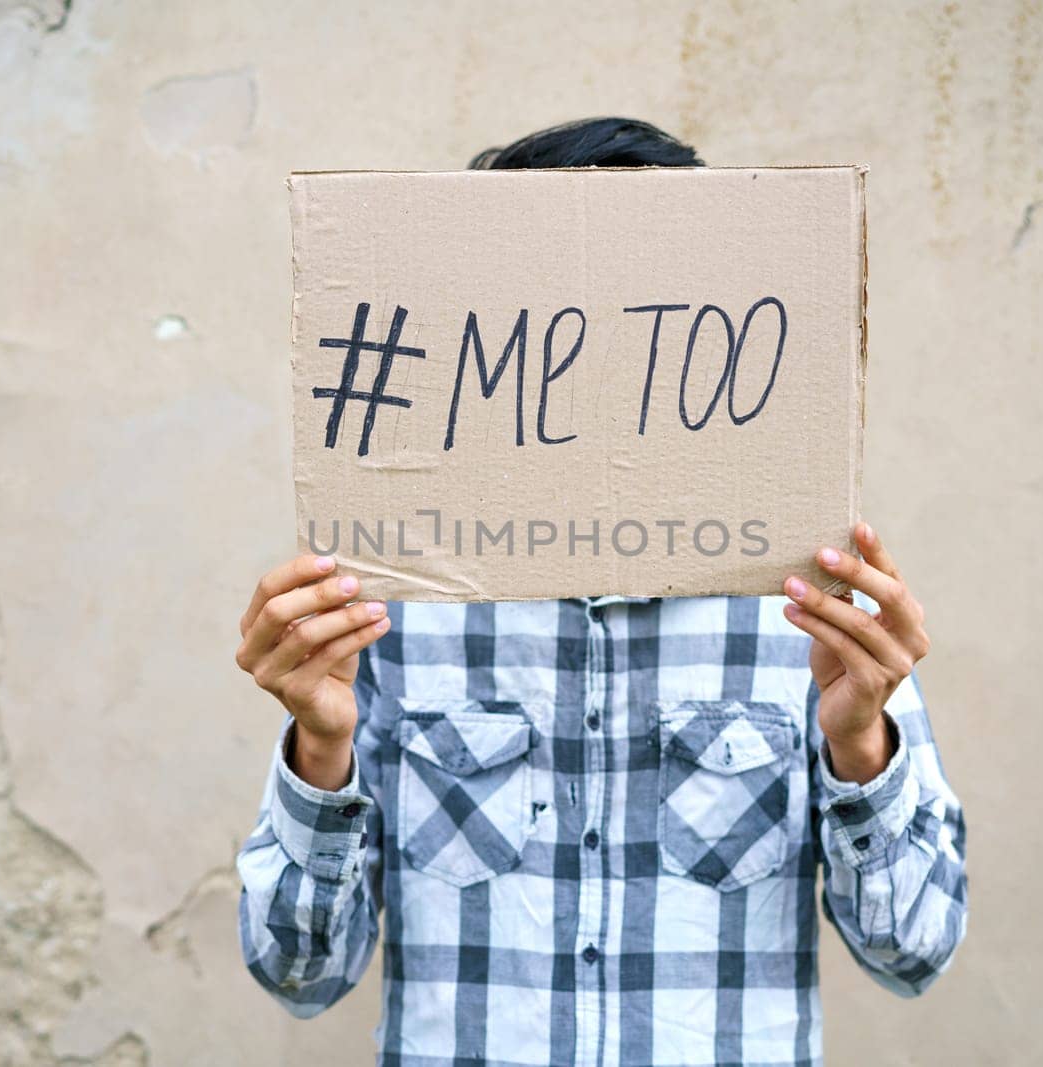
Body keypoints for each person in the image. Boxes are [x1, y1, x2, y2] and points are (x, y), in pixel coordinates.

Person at [234, 117, 967, 1066]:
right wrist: (321, 749)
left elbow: (916, 952)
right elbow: (296, 975)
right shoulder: (395, 603)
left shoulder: (807, 606)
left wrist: (862, 743)